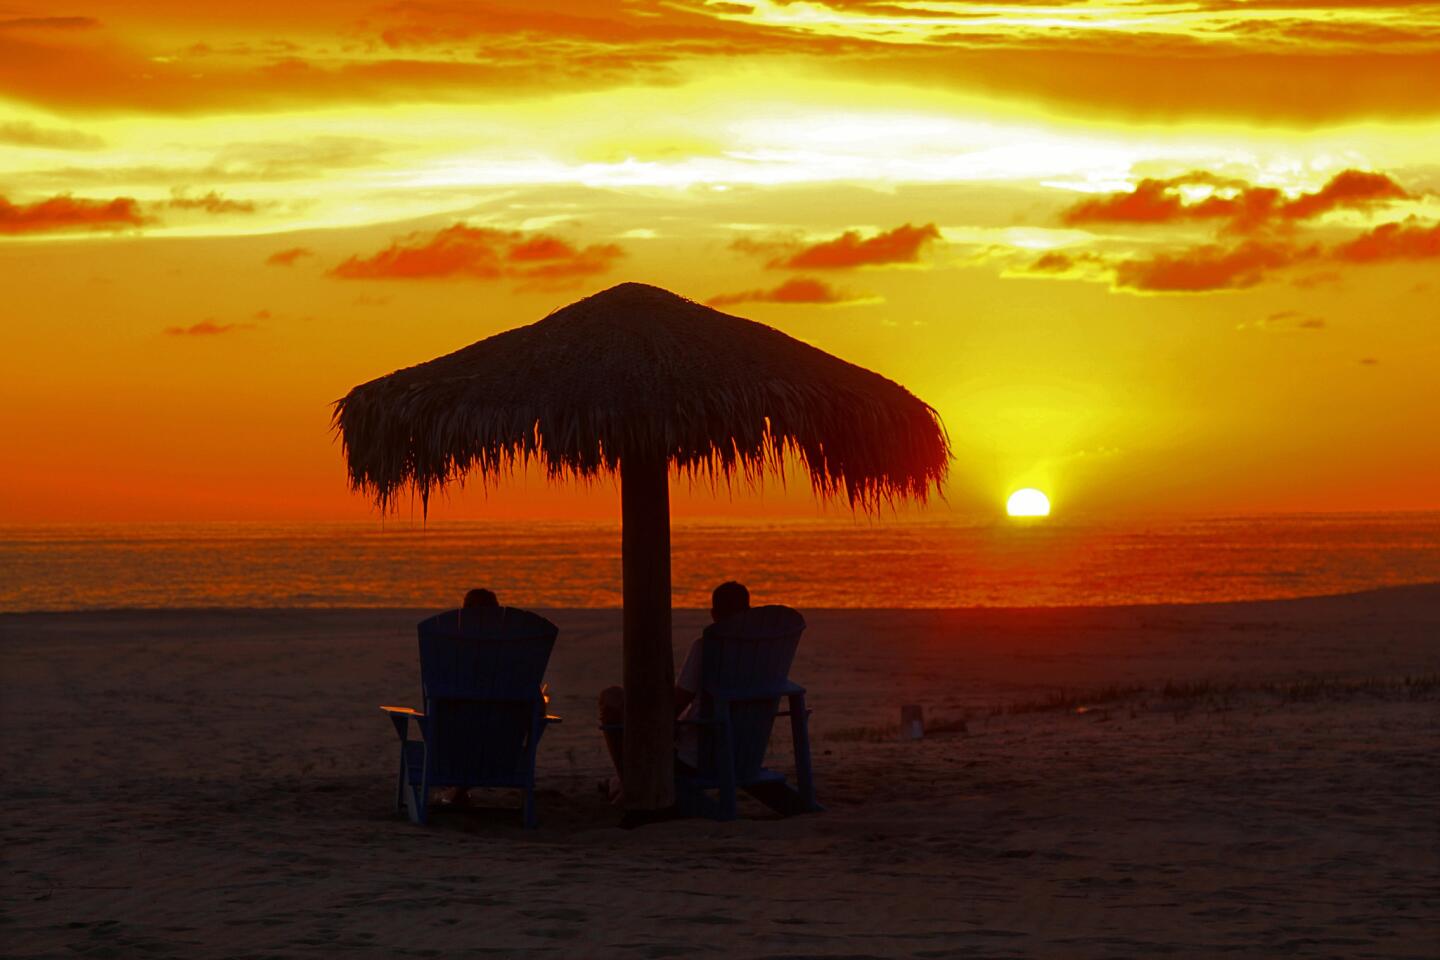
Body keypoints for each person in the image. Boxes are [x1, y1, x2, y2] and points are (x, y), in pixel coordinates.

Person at [598, 581, 750, 804]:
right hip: (744, 755)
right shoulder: (766, 653)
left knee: (611, 699)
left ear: (713, 615)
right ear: (748, 611)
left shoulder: (706, 648)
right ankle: (622, 783)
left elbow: (676, 704)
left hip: (696, 758)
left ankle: (630, 786)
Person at [436, 587, 502, 808]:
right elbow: (536, 707)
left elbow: (437, 699)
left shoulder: (452, 654)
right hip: (502, 750)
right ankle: (460, 789)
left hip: (454, 747)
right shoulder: (511, 656)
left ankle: (458, 788)